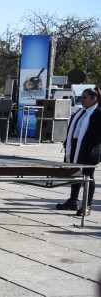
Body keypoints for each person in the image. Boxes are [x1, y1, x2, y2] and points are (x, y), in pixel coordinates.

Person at [55, 87, 100, 216]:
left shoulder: (98, 113)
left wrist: (90, 146)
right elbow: (74, 129)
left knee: (88, 177)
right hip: (75, 148)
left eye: (85, 98)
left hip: (89, 151)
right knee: (75, 174)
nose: (82, 100)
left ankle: (87, 205)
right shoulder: (80, 112)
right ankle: (73, 201)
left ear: (93, 99)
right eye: (81, 97)